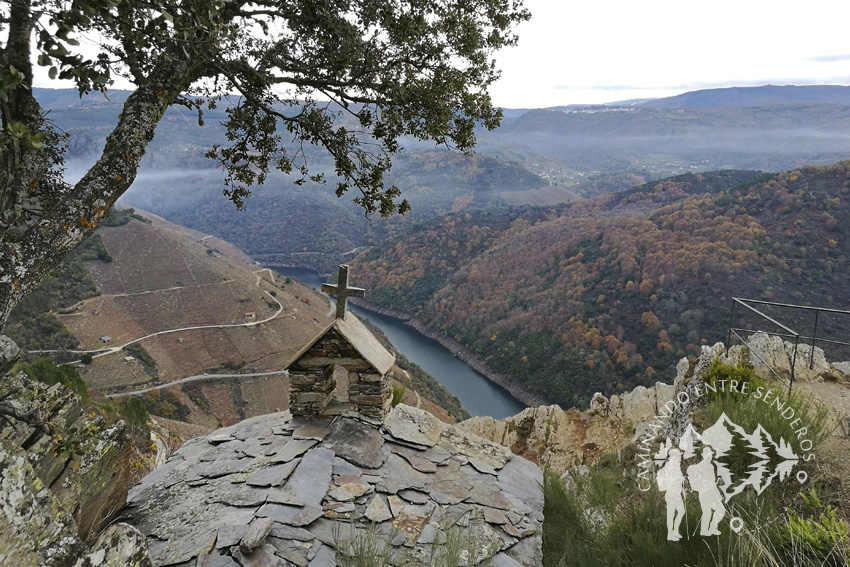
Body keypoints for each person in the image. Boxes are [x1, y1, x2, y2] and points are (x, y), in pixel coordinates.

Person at [687, 447, 726, 536]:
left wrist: (715, 483)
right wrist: (716, 483)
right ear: (704, 455)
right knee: (715, 511)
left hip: (706, 492)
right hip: (707, 492)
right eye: (708, 454)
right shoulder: (706, 466)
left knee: (710, 512)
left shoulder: (707, 466)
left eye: (710, 455)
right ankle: (709, 529)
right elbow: (708, 482)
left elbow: (709, 481)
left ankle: (707, 530)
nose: (710, 456)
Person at [657, 447, 686, 541]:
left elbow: (679, 479)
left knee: (681, 511)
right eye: (678, 456)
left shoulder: (676, 467)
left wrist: (682, 481)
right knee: (671, 514)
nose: (680, 458)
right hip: (671, 494)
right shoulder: (668, 468)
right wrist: (677, 481)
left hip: (677, 494)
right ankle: (670, 534)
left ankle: (675, 531)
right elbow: (666, 483)